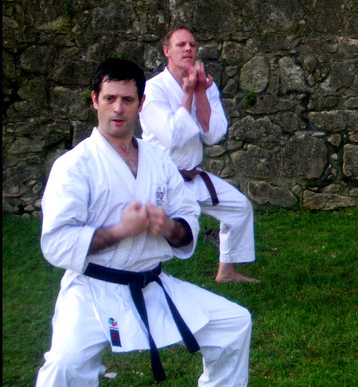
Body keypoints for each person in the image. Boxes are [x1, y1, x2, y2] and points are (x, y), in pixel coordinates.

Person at [37, 58, 251, 386]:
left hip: (151, 284)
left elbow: (188, 219)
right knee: (65, 365)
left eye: (127, 99)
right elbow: (57, 241)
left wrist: (168, 227)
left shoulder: (158, 160)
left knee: (234, 324)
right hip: (93, 289)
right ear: (94, 100)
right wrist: (121, 231)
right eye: (109, 98)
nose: (118, 108)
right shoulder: (74, 165)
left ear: (141, 103)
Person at [140, 26, 258, 283]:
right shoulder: (153, 90)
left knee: (240, 208)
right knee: (148, 234)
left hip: (193, 176)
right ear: (166, 51)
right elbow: (173, 135)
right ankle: (141, 277)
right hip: (161, 180)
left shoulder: (205, 85)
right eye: (181, 45)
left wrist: (201, 94)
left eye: (192, 45)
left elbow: (213, 135)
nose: (188, 49)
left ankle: (226, 272)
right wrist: (187, 95)